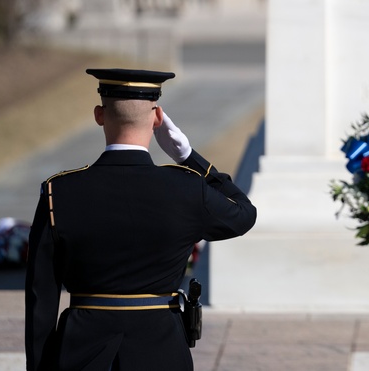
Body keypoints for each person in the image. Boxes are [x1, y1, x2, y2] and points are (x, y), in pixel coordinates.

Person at [25, 68, 257, 371]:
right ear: (157, 118)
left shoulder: (59, 192)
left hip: (80, 352)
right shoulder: (187, 188)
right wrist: (189, 157)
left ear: (99, 115)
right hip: (162, 352)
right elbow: (243, 214)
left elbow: (40, 298)